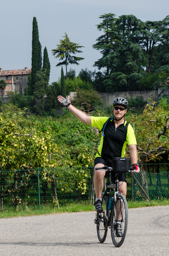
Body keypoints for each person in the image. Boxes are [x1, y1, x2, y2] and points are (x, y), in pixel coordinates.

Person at [57, 95, 139, 235]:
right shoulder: (105, 122)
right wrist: (69, 106)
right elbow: (86, 119)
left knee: (123, 188)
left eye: (121, 109)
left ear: (125, 111)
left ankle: (118, 222)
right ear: (113, 109)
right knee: (99, 171)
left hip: (118, 161)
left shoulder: (128, 128)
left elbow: (132, 147)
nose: (118, 110)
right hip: (102, 157)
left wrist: (135, 164)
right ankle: (99, 200)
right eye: (116, 108)